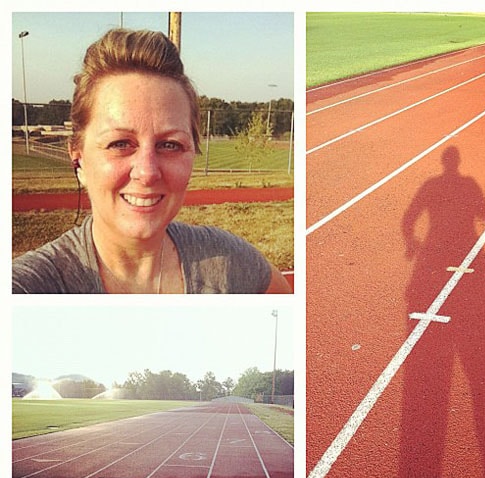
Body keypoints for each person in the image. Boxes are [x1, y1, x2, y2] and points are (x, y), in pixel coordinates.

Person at [12, 28, 292, 294]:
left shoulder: (229, 263)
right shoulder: (33, 286)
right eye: (120, 143)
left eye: (170, 145)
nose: (147, 172)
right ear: (78, 158)